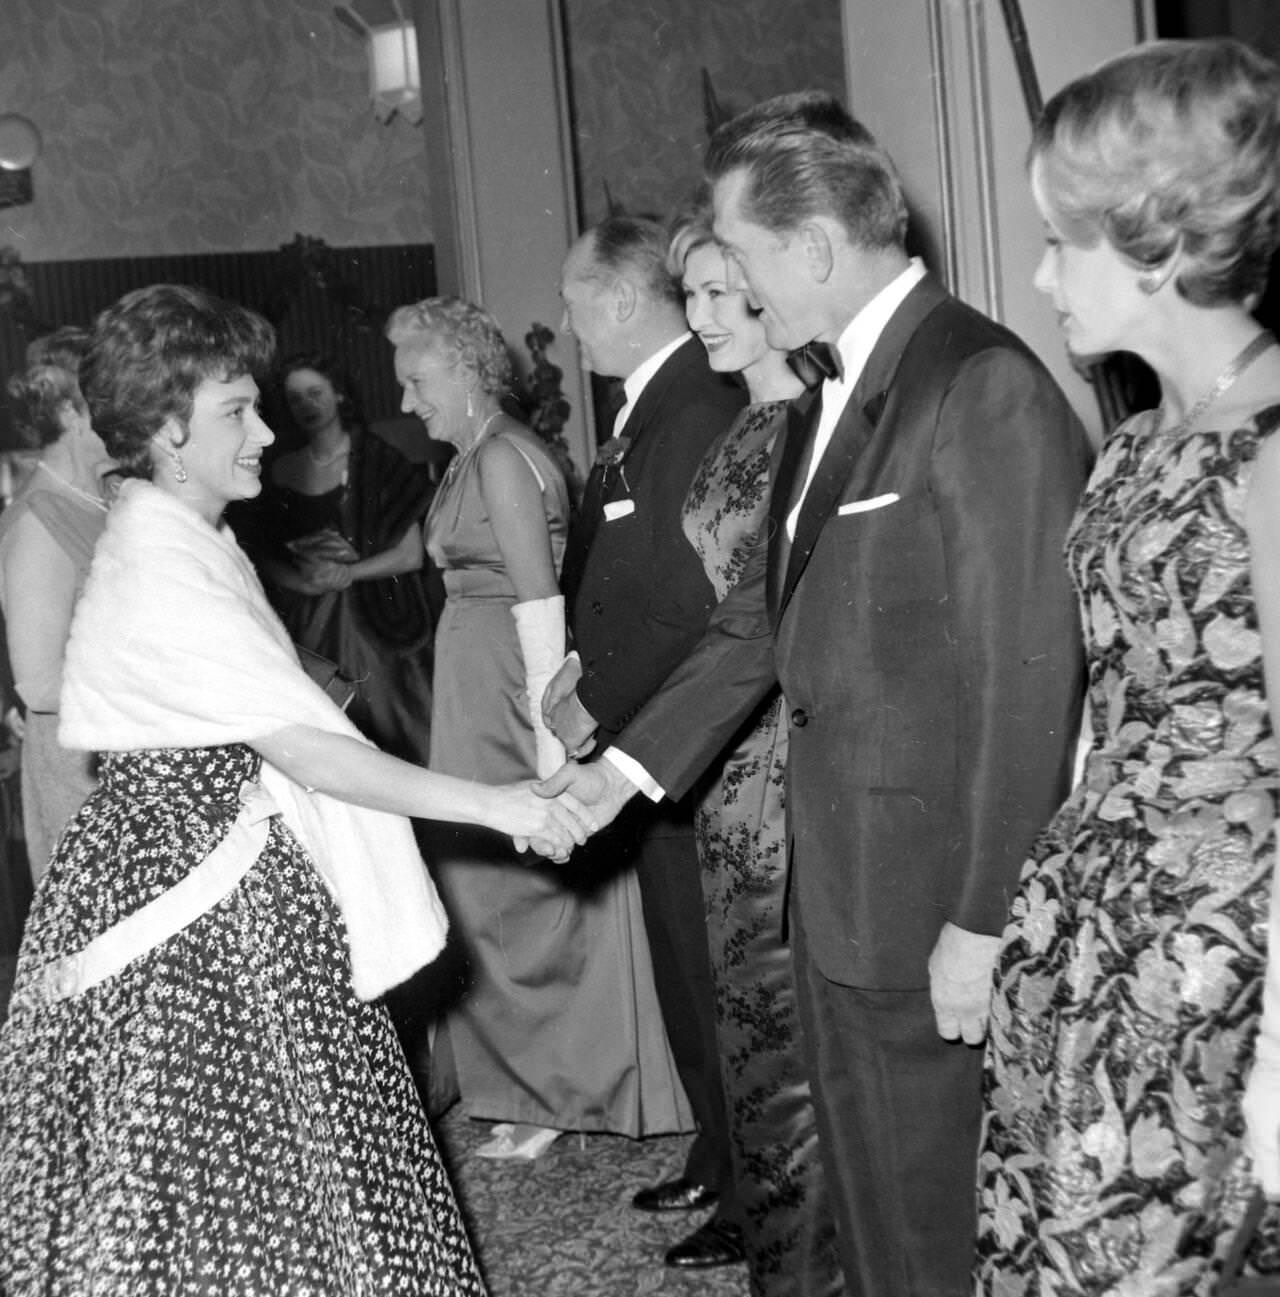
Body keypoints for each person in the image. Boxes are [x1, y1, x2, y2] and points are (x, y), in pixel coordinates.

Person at [538, 93, 1091, 1297]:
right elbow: (757, 624)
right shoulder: (826, 391)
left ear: (814, 248)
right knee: (871, 1216)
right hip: (831, 895)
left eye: (738, 257)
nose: (726, 289)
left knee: (939, 1231)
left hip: (928, 901)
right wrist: (618, 777)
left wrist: (983, 919)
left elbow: (1028, 677)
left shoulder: (976, 382)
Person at [0, 283, 590, 1295]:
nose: (268, 431)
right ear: (168, 431)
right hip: (196, 902)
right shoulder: (160, 561)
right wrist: (501, 805)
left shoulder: (183, 533)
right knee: (242, 1168)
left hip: (210, 859)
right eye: (237, 410)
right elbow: (312, 751)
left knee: (279, 1159)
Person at [969, 39, 1280, 1294]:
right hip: (1085, 928)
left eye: (1063, 243)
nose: (1041, 274)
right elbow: (1105, 710)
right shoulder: (1132, 445)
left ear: (1155, 246)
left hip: (1208, 966)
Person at [386, 296, 688, 1162]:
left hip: (510, 701)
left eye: (416, 381)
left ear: (465, 369)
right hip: (476, 692)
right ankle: (526, 1082)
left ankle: (557, 1087)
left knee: (522, 898)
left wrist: (551, 744)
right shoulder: (477, 453)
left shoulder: (501, 458)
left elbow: (540, 606)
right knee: (492, 895)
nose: (406, 402)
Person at [545, 214, 749, 1270]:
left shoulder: (697, 402)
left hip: (681, 735)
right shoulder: (656, 401)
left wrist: (599, 700)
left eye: (575, 301)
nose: (567, 325)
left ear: (621, 298)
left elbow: (686, 595)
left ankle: (750, 1188)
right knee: (682, 963)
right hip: (650, 729)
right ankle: (719, 1153)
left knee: (712, 970)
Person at [667, 208, 842, 1296]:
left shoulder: (808, 427)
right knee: (752, 1031)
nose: (701, 316)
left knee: (789, 1042)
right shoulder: (741, 425)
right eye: (688, 295)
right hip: (728, 763)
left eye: (721, 292)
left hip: (782, 757)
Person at [253, 352, 434, 764]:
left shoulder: (379, 460)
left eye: (315, 392)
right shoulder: (279, 470)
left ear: (338, 394)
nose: (307, 405)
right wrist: (301, 581)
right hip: (304, 618)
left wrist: (348, 573)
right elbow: (262, 557)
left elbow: (410, 555)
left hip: (377, 617)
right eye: (295, 398)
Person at [0, 329, 113, 881]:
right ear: (71, 412)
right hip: (87, 773)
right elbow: (42, 685)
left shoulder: (112, 494)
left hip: (138, 750)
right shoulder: (38, 520)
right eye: (117, 399)